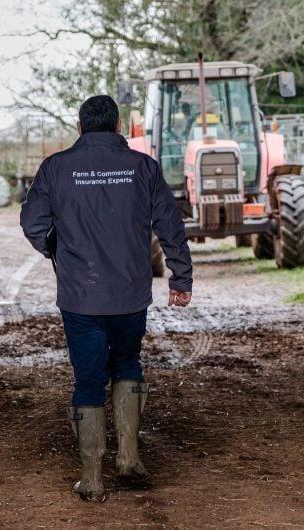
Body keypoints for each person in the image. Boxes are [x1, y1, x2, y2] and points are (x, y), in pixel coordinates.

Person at [20, 95, 193, 502]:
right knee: (128, 363)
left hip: (81, 296)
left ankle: (92, 477)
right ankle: (129, 459)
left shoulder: (56, 168)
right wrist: (180, 277)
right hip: (130, 294)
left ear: (80, 127)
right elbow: (171, 225)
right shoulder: (143, 167)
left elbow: (32, 222)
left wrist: (58, 250)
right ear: (117, 126)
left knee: (88, 380)